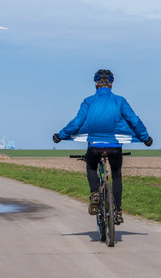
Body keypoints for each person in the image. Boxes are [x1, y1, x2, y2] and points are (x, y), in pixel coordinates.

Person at [53, 69, 153, 224]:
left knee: (91, 167)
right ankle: (118, 212)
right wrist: (146, 138)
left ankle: (94, 193)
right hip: (114, 145)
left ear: (96, 83)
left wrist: (61, 135)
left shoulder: (88, 101)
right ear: (111, 83)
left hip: (94, 144)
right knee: (117, 174)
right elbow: (134, 120)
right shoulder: (120, 101)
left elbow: (77, 122)